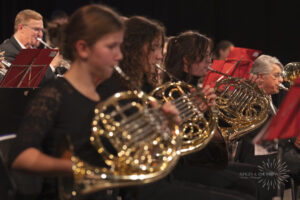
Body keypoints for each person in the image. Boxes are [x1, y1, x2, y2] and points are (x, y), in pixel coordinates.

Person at [164, 30, 257, 199]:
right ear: (187, 60)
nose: (210, 60)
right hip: (183, 166)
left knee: (261, 176)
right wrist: (200, 112)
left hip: (201, 160)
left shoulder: (192, 88)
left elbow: (214, 134)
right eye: (205, 55)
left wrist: (209, 112)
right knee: (249, 184)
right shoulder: (172, 91)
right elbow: (188, 139)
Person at [0, 9, 58, 85]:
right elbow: (23, 82)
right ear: (21, 28)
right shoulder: (5, 52)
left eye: (42, 30)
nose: (40, 34)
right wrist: (51, 66)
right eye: (36, 29)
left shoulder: (34, 51)